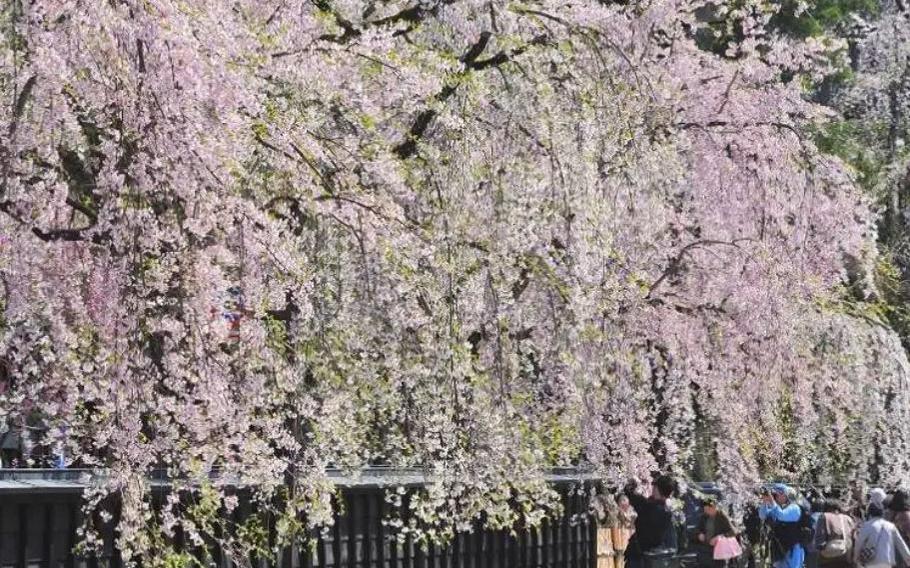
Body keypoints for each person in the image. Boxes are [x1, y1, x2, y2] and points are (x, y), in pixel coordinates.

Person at [625, 475, 678, 568]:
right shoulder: (667, 512)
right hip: (654, 558)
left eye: (654, 487)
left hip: (639, 556)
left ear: (657, 490)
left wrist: (631, 485)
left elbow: (631, 494)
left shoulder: (650, 507)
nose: (652, 489)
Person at [760, 484, 807, 568]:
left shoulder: (794, 508)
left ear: (785, 495)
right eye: (773, 495)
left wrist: (771, 501)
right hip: (778, 548)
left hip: (792, 549)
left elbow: (782, 516)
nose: (774, 497)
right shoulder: (776, 508)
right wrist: (765, 502)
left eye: (776, 495)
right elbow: (762, 515)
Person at [854, 503, 910, 568]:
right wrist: (908, 559)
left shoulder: (866, 525)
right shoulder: (890, 526)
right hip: (887, 561)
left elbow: (859, 542)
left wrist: (856, 558)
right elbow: (900, 544)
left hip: (871, 561)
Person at [697, 497, 738, 567]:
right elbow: (698, 529)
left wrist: (719, 537)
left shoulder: (722, 517)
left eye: (708, 509)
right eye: (705, 509)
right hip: (705, 551)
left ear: (714, 507)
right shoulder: (703, 517)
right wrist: (699, 534)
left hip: (719, 552)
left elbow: (733, 532)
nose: (706, 511)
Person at [814, 499, 855, 568]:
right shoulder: (847, 518)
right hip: (846, 558)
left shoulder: (824, 516)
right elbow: (854, 537)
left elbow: (819, 541)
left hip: (828, 560)